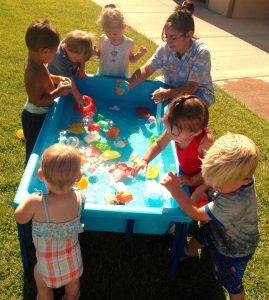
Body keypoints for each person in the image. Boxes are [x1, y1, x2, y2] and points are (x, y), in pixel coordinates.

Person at [161, 133, 260, 300]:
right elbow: (215, 177)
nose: (215, 185)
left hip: (234, 249)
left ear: (244, 180)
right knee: (201, 236)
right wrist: (201, 188)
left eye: (220, 184)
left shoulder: (233, 203)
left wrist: (175, 190)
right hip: (219, 230)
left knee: (230, 281)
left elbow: (195, 213)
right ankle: (189, 252)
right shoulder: (238, 176)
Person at [15, 143, 84, 300]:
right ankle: (72, 297)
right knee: (73, 283)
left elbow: (20, 217)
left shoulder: (36, 203)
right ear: (79, 177)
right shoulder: (79, 198)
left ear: (41, 175)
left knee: (42, 283)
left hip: (47, 268)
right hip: (73, 262)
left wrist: (29, 200)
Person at [116, 1, 215, 107]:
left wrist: (168, 93)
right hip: (172, 85)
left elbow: (191, 88)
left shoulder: (201, 53)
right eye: (166, 36)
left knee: (186, 108)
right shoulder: (165, 48)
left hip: (197, 93)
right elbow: (146, 69)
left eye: (173, 37)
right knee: (151, 90)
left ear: (188, 35)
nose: (168, 41)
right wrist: (129, 84)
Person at [132, 95, 213, 193]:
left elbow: (211, 170)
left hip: (201, 183)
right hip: (185, 174)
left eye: (173, 133)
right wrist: (145, 160)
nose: (168, 135)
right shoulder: (173, 129)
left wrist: (192, 181)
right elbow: (159, 144)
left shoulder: (204, 142)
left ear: (196, 132)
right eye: (167, 129)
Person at [22, 20, 72, 164]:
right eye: (54, 52)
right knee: (34, 150)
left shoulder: (36, 62)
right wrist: (58, 92)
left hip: (37, 113)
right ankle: (29, 170)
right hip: (35, 117)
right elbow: (38, 101)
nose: (54, 55)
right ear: (44, 51)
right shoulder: (35, 72)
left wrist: (57, 78)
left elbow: (46, 76)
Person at [95, 3, 147, 78]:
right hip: (103, 75)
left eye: (114, 34)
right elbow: (101, 54)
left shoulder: (128, 43)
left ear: (123, 28)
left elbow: (132, 59)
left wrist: (140, 54)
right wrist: (95, 53)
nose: (110, 36)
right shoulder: (103, 39)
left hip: (121, 77)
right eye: (107, 32)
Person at [48, 29, 94, 104]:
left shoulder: (75, 48)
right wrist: (78, 97)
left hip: (68, 73)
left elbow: (82, 58)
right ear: (66, 48)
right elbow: (69, 80)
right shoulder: (60, 58)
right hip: (55, 82)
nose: (79, 60)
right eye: (76, 59)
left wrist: (81, 69)